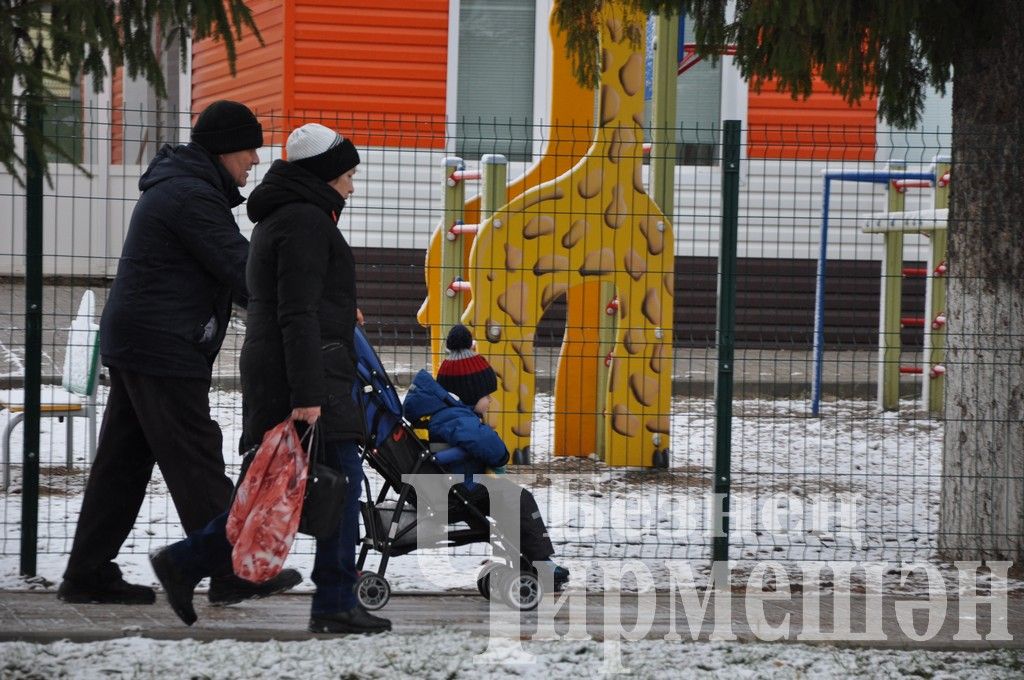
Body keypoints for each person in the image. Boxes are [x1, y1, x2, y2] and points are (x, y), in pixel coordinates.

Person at [148, 123, 391, 635]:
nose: (352, 185)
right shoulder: (305, 222)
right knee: (339, 487)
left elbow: (298, 301)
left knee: (275, 493)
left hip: (293, 369)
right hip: (306, 377)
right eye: (348, 174)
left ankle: (188, 562)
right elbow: (295, 313)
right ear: (325, 175)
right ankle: (333, 602)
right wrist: (308, 396)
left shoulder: (287, 218)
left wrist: (343, 310)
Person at [58, 101, 301, 606]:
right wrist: (305, 305)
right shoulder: (192, 195)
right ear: (226, 148)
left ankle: (86, 572)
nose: (254, 159)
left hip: (143, 340)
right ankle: (235, 570)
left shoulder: (186, 186)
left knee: (122, 464)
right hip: (162, 345)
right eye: (250, 147)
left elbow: (232, 271)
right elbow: (241, 268)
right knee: (197, 458)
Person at [403, 324, 569, 592]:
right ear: (469, 395)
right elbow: (496, 451)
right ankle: (542, 563)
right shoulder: (458, 419)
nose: (490, 401)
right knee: (518, 499)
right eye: (486, 395)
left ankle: (520, 560)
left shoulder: (444, 414)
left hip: (445, 485)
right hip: (454, 490)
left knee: (503, 501)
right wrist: (493, 445)